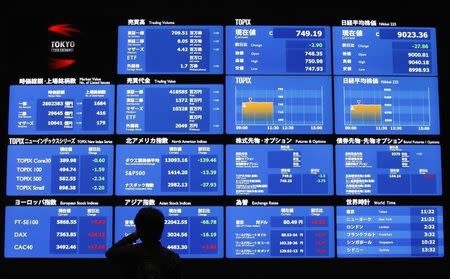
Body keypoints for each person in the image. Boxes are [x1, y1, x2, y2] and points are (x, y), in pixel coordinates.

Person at [106, 207, 182, 279]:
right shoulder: (173, 258)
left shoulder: (130, 252)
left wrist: (134, 236)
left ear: (139, 230)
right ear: (161, 230)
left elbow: (110, 253)